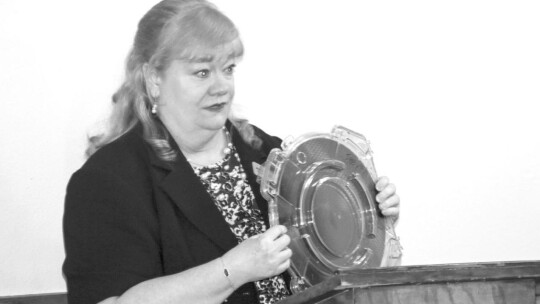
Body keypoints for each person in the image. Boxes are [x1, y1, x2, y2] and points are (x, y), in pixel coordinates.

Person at [62, 0, 401, 303]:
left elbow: (327, 261)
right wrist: (232, 269)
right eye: (202, 72)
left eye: (228, 69)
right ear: (153, 79)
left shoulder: (268, 152)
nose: (221, 85)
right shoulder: (107, 181)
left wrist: (368, 214)